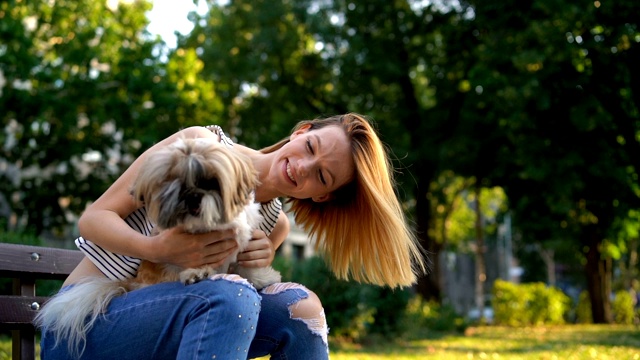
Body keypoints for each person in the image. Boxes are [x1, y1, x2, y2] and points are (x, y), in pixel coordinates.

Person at [38, 113, 427, 359]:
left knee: (301, 308)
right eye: (310, 146)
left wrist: (253, 262)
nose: (303, 167)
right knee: (231, 294)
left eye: (321, 176)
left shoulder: (274, 224)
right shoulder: (202, 147)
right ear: (301, 131)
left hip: (164, 327)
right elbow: (92, 218)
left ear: (321, 195)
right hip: (84, 327)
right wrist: (157, 247)